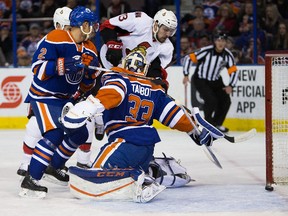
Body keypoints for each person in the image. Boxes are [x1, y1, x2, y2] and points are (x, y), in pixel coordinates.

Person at [61, 50, 214, 203]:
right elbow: (175, 117)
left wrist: (87, 107)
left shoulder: (119, 79)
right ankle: (152, 170)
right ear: (145, 69)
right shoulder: (155, 89)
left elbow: (112, 95)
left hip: (125, 142)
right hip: (147, 147)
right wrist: (196, 130)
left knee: (94, 177)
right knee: (120, 167)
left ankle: (143, 181)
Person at [19, 6, 101, 198]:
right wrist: (65, 64)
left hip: (65, 99)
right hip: (44, 95)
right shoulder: (56, 37)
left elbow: (86, 86)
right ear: (84, 24)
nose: (96, 28)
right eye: (93, 24)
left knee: (80, 133)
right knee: (54, 134)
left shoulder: (90, 48)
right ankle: (31, 179)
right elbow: (37, 69)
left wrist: (91, 74)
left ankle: (53, 166)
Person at [99, 9, 177, 91]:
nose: (168, 34)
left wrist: (158, 83)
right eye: (165, 30)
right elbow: (107, 25)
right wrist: (113, 46)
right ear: (156, 25)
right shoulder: (141, 20)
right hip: (105, 63)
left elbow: (154, 69)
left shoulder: (167, 47)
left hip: (128, 79)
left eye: (171, 31)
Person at [182, 32, 239, 133]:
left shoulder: (228, 55)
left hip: (216, 80)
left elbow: (233, 71)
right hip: (201, 79)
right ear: (215, 41)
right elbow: (188, 58)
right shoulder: (206, 51)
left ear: (226, 42)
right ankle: (208, 124)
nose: (220, 43)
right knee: (211, 101)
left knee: (226, 101)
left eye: (223, 41)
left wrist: (231, 85)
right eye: (218, 40)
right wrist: (186, 74)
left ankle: (217, 124)